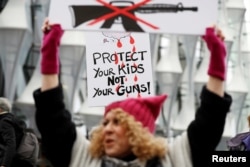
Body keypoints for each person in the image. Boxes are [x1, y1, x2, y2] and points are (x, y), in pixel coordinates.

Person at [33, 19, 232, 167]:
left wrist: (217, 56)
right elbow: (52, 116)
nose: (107, 129)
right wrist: (49, 50)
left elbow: (210, 120)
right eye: (105, 122)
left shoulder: (173, 159)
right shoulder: (84, 158)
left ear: (139, 129)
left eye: (117, 122)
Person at [0, 98, 34, 167]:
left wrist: (5, 164)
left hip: (5, 160)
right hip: (15, 159)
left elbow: (10, 143)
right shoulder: (13, 119)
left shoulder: (4, 121)